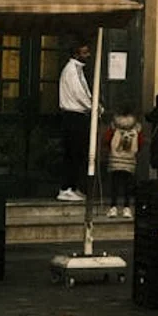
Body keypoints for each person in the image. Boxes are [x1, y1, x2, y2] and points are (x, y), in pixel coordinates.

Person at [57, 41, 92, 202]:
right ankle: (66, 188)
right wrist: (93, 106)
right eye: (84, 53)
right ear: (76, 54)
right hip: (74, 115)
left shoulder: (75, 69)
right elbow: (80, 92)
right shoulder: (72, 70)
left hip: (75, 115)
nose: (88, 55)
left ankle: (72, 186)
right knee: (73, 153)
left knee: (76, 153)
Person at [102, 101, 143, 218]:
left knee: (115, 183)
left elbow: (107, 139)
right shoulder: (136, 127)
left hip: (115, 159)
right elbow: (140, 143)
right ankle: (127, 208)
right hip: (129, 160)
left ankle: (113, 207)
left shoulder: (114, 125)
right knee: (128, 184)